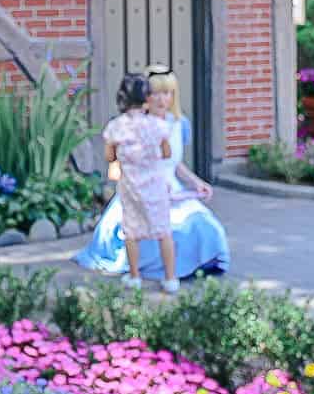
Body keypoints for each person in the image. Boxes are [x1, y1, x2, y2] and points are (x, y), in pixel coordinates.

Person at [78, 67, 228, 283]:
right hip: (142, 187)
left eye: (167, 93)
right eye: (155, 93)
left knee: (202, 224)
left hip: (169, 187)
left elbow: (175, 163)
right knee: (145, 230)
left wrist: (197, 183)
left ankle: (183, 268)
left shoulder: (178, 124)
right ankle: (162, 275)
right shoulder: (135, 126)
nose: (161, 99)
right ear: (146, 97)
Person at [99, 73, 177, 294]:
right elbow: (166, 153)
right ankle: (171, 278)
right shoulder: (158, 125)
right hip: (156, 185)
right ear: (147, 97)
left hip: (130, 185)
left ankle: (135, 276)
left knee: (132, 231)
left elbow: (109, 155)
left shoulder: (115, 127)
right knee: (164, 230)